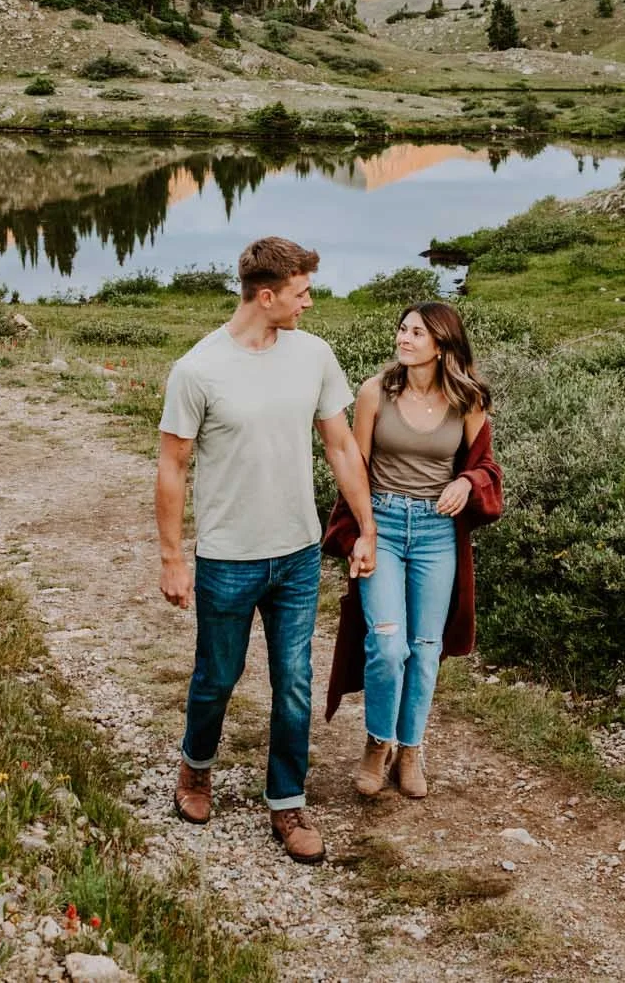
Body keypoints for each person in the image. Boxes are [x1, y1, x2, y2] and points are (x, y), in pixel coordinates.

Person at [156, 236, 377, 864]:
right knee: (217, 677)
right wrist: (173, 557)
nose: (310, 304)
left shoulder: (314, 355)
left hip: (299, 554)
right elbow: (172, 467)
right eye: (302, 293)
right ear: (267, 295)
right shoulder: (197, 369)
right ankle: (195, 768)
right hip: (227, 557)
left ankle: (286, 801)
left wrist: (366, 528)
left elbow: (340, 448)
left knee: (296, 682)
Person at [322, 301, 502, 800]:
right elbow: (354, 468)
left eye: (416, 332)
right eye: (402, 329)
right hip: (380, 525)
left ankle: (411, 748)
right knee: (386, 644)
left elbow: (486, 466)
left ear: (441, 344)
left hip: (435, 532)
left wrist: (466, 482)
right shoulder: (375, 392)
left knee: (425, 650)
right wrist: (362, 531)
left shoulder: (467, 400)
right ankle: (376, 745)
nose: (404, 338)